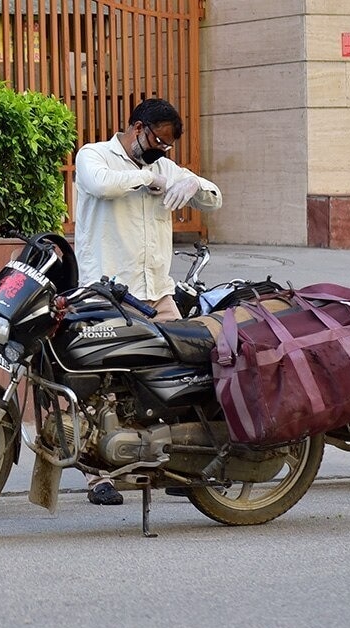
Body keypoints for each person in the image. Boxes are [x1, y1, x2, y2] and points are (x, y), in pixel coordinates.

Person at [72, 97, 222, 506]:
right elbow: (102, 185)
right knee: (104, 386)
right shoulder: (94, 156)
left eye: (169, 146)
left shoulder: (165, 167)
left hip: (158, 292)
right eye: (159, 141)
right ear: (137, 128)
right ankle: (97, 475)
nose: (163, 151)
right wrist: (146, 182)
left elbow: (213, 199)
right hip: (107, 293)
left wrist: (194, 184)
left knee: (186, 373)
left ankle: (180, 464)